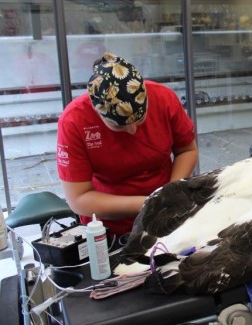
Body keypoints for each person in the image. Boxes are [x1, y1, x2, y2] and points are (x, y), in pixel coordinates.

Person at [56, 52, 198, 238]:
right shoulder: (74, 121)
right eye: (118, 126)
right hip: (108, 227)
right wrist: (150, 203)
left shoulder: (163, 98)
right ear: (98, 113)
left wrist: (170, 192)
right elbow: (78, 198)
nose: (132, 131)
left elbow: (187, 150)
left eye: (140, 120)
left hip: (166, 216)